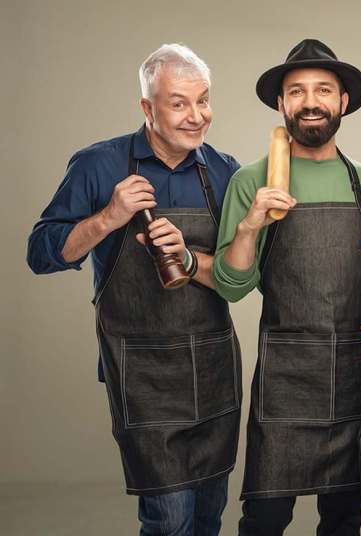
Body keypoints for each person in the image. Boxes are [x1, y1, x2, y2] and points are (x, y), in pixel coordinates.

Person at [26, 44, 241, 535]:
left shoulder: (224, 171)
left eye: (203, 101)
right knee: (169, 520)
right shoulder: (98, 166)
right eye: (179, 103)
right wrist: (109, 217)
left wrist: (190, 257)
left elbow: (239, 275)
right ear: (147, 108)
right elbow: (40, 254)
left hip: (212, 367)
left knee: (208, 515)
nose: (197, 116)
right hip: (140, 373)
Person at [210, 39, 361, 536]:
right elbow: (231, 286)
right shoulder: (253, 180)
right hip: (286, 377)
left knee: (343, 517)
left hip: (358, 371)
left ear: (343, 102)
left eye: (323, 90)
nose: (311, 101)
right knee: (265, 518)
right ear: (281, 104)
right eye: (297, 91)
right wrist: (249, 225)